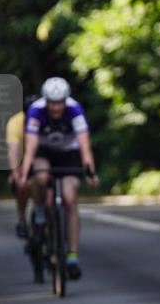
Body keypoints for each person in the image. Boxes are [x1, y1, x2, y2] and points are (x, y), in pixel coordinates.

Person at [14, 78, 99, 280]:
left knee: (70, 198)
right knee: (41, 177)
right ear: (46, 101)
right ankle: (41, 212)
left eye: (59, 102)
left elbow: (85, 147)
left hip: (69, 153)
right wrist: (25, 175)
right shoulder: (35, 111)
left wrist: (91, 173)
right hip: (44, 152)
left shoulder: (75, 110)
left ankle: (72, 256)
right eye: (51, 102)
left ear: (65, 100)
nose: (55, 107)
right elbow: (31, 149)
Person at [6, 95, 38, 238]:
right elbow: (13, 151)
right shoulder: (15, 122)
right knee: (21, 185)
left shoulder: (45, 117)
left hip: (40, 156)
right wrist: (15, 173)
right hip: (22, 156)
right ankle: (22, 219)